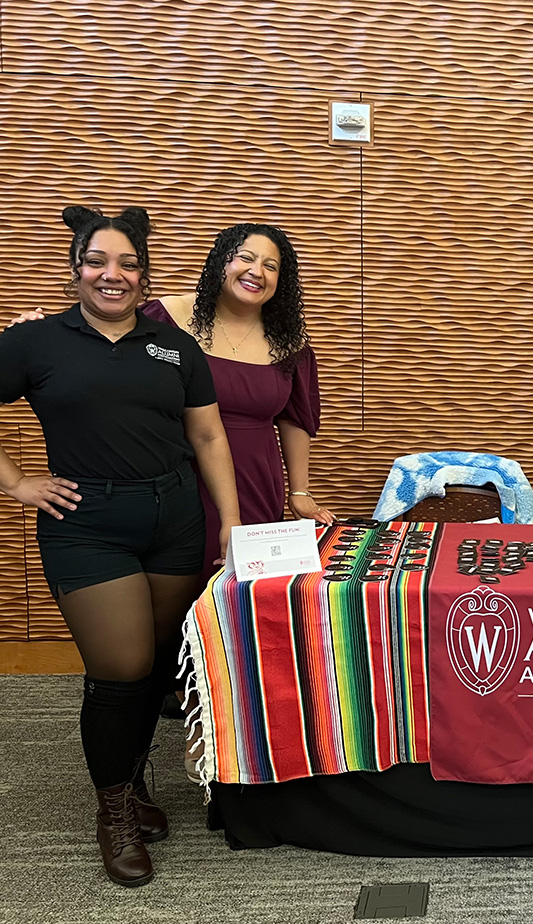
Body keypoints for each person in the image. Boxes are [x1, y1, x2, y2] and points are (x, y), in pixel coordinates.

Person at [0, 207, 242, 887]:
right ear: (77, 270)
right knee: (122, 667)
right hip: (87, 524)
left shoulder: (173, 345)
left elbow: (209, 437)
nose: (114, 274)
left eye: (128, 263)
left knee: (159, 663)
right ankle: (114, 814)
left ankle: (132, 784)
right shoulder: (36, 342)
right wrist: (18, 482)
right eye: (98, 261)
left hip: (173, 516)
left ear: (143, 274)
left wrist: (228, 518)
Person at [13, 222, 335, 579]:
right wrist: (36, 333)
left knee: (240, 595)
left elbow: (294, 419)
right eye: (245, 258)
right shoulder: (166, 317)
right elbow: (105, 341)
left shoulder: (291, 344)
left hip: (256, 481)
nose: (256, 272)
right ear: (221, 263)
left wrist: (300, 490)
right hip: (174, 480)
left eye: (271, 266)